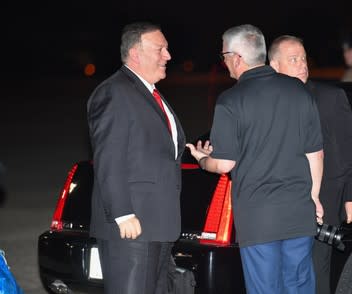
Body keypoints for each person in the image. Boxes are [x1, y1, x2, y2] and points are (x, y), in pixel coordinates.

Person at [187, 24, 324, 294]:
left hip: (259, 218)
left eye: (224, 55)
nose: (224, 62)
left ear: (237, 58)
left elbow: (225, 164)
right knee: (298, 286)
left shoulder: (231, 100)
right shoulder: (299, 91)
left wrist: (204, 160)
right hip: (299, 212)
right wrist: (315, 196)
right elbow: (315, 153)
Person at [87, 21, 185, 294]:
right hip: (132, 227)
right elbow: (109, 156)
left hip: (157, 225)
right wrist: (122, 213)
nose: (168, 55)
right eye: (161, 49)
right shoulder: (115, 92)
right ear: (136, 53)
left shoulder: (150, 94)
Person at [268, 35, 352, 294]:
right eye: (293, 60)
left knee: (316, 270)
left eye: (303, 58)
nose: (302, 64)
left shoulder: (329, 97)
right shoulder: (264, 101)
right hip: (279, 203)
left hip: (324, 200)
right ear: (274, 66)